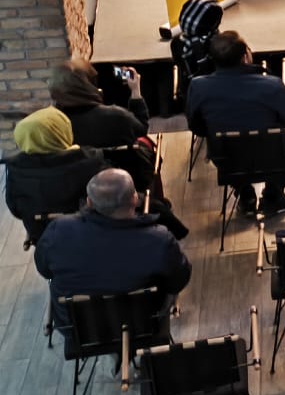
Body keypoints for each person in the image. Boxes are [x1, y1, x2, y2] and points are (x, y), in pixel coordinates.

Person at [35, 168, 191, 348]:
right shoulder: (159, 240)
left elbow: (43, 268)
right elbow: (180, 277)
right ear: (134, 199)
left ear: (89, 202)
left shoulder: (58, 231)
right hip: (144, 322)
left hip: (78, 328)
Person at [48, 59, 185, 237]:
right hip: (131, 178)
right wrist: (135, 91)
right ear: (89, 84)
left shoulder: (53, 125)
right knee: (147, 145)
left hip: (80, 187)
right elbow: (141, 128)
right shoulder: (115, 116)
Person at [184, 30, 285, 213]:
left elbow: (195, 126)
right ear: (246, 56)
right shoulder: (273, 85)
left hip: (228, 160)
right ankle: (274, 194)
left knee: (226, 147)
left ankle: (245, 195)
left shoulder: (198, 86)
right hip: (273, 158)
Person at [3, 105, 107, 242]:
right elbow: (108, 200)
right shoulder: (92, 160)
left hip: (45, 239)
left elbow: (16, 209)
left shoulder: (16, 169)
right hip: (92, 234)